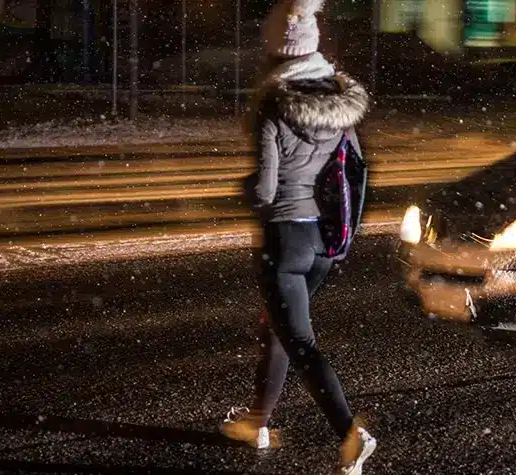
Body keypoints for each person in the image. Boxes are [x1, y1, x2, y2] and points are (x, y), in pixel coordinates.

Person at [219, 0, 375, 473]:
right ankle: (258, 421)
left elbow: (266, 190)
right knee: (280, 328)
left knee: (300, 339)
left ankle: (351, 435)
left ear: (276, 51)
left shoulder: (273, 102)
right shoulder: (340, 104)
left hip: (285, 240)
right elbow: (353, 172)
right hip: (323, 242)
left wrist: (243, 192)